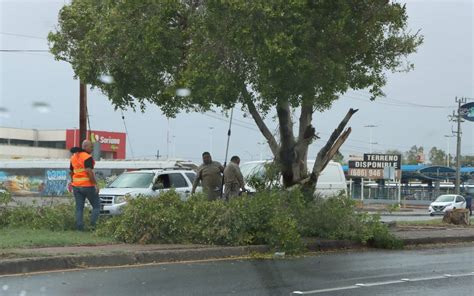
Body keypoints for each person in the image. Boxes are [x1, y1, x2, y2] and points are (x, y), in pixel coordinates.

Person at [69, 140, 100, 231]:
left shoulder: (73, 157)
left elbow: (71, 172)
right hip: (87, 186)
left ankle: (79, 229)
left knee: (79, 208)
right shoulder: (87, 157)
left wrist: (73, 181)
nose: (92, 149)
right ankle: (92, 227)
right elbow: (89, 171)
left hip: (76, 186)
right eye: (91, 147)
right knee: (97, 206)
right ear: (86, 147)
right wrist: (95, 184)